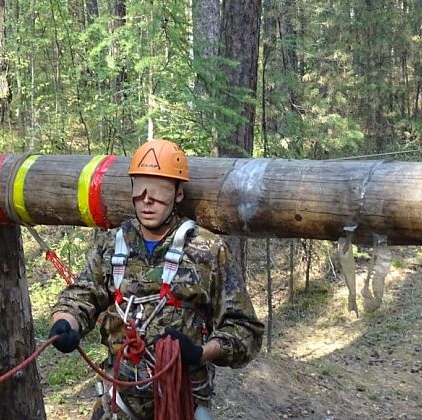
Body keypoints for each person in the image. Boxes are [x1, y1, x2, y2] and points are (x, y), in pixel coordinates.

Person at [49, 139, 264, 419]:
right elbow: (81, 296)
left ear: (178, 194)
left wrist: (200, 353)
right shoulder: (112, 244)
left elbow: (245, 330)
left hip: (180, 402)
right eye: (140, 190)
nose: (148, 200)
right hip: (119, 401)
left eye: (159, 191)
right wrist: (65, 322)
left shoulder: (207, 251)